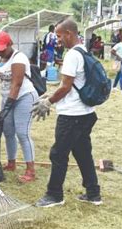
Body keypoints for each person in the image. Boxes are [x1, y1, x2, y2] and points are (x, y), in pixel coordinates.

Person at [31, 19, 102, 207]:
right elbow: (73, 84)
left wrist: (48, 101)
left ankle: (54, 195)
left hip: (72, 116)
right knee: (83, 153)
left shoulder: (72, 55)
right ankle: (93, 193)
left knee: (58, 154)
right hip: (86, 113)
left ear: (69, 33)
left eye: (60, 36)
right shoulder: (83, 51)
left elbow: (66, 86)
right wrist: (51, 93)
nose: (58, 40)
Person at [0, 31, 38, 182]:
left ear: (10, 45)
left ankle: (30, 170)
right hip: (7, 98)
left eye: (2, 48)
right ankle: (11, 163)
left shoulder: (19, 58)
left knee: (22, 133)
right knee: (8, 132)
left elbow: (17, 83)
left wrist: (8, 105)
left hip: (24, 97)